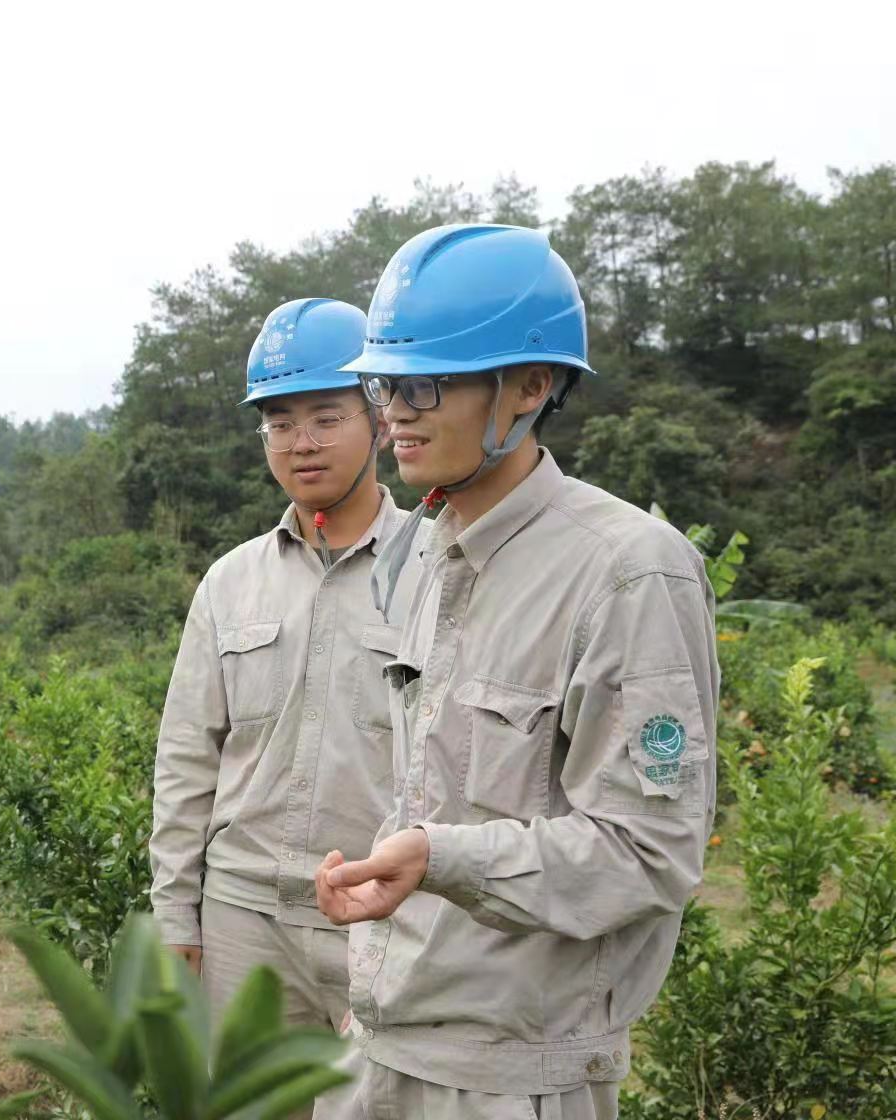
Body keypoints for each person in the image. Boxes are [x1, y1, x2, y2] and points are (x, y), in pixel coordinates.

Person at [315, 225, 719, 1120]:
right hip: (385, 1040)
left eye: (427, 384)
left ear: (532, 387)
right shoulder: (422, 549)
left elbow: (649, 852)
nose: (395, 413)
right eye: (385, 384)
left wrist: (443, 859)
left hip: (512, 1074)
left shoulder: (626, 571)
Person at [151, 297, 418, 1119]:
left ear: (377, 419)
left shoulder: (434, 572)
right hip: (243, 920)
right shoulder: (231, 582)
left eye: (325, 416)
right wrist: (175, 916)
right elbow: (188, 757)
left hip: (380, 918)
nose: (301, 441)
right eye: (279, 421)